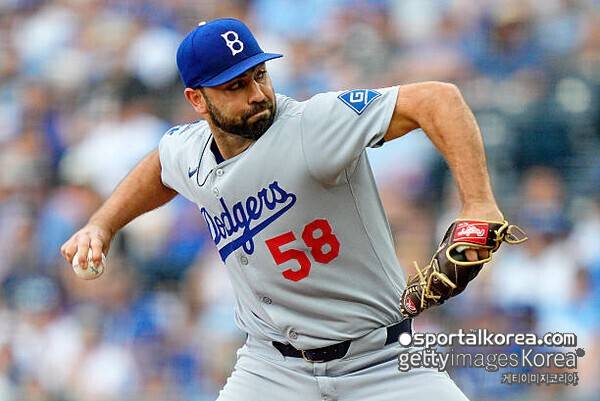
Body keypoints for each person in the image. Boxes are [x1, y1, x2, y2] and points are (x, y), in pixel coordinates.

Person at [61, 18, 503, 401]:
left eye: (259, 75)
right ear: (197, 100)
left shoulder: (312, 126)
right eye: (235, 86)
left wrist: (478, 203)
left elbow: (437, 99)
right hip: (271, 369)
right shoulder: (190, 152)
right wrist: (102, 225)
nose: (257, 94)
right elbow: (160, 166)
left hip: (381, 360)